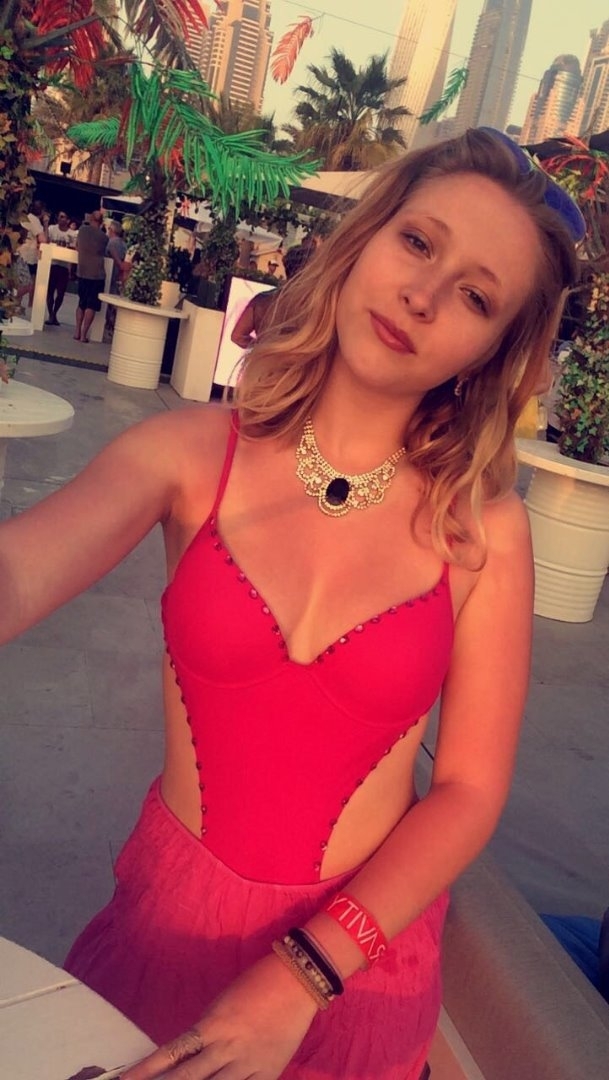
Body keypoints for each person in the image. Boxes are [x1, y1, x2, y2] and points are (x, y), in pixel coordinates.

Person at [0, 128, 582, 1080]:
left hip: (357, 972)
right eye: (417, 242)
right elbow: (19, 571)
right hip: (165, 931)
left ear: (492, 351)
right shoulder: (189, 454)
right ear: (365, 239)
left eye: (475, 296)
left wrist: (304, 973)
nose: (423, 295)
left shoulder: (483, 530)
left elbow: (470, 791)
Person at [74, 209, 107, 343]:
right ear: (101, 222)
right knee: (91, 305)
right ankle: (83, 334)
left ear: (91, 218)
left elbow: (77, 246)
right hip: (96, 274)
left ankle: (77, 331)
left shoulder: (82, 231)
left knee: (81, 303)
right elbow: (104, 251)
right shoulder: (103, 237)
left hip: (82, 271)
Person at [44, 211, 79, 325]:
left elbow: (74, 249)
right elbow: (46, 241)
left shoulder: (72, 234)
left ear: (68, 220)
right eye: (59, 216)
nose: (60, 219)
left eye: (63, 217)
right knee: (50, 291)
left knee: (61, 293)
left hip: (64, 266)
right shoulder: (52, 229)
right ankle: (51, 314)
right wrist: (45, 225)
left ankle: (55, 313)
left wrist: (71, 269)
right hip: (52, 264)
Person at [103, 219, 128, 340]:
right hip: (118, 276)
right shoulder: (124, 244)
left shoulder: (110, 243)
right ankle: (112, 327)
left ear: (111, 230)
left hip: (110, 275)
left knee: (108, 303)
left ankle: (109, 327)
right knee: (114, 302)